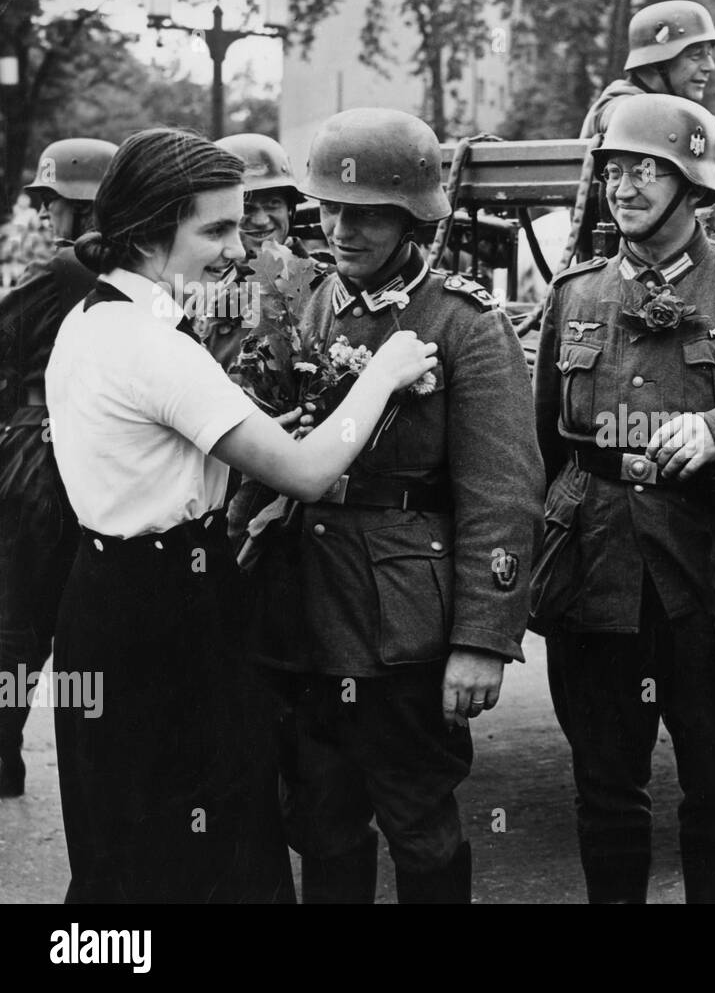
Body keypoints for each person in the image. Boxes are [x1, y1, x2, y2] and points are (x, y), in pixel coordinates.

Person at [43, 127, 439, 903]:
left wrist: (246, 444)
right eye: (215, 229)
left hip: (104, 597)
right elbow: (308, 471)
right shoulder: (157, 347)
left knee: (121, 841)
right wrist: (384, 375)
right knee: (213, 841)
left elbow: (156, 452)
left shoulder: (91, 323)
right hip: (172, 612)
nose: (236, 249)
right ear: (150, 230)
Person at [246, 107, 543, 904]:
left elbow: (504, 494)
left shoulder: (463, 322)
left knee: (419, 822)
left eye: (368, 213)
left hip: (402, 625)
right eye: (332, 209)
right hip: (304, 613)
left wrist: (483, 638)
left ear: (412, 216)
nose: (343, 229)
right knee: (320, 820)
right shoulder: (302, 305)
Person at [532, 94, 715, 903]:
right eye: (616, 169)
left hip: (707, 578)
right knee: (606, 792)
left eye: (649, 169)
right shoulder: (575, 294)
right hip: (596, 570)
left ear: (694, 186)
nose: (626, 185)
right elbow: (541, 442)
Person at [0, 137, 115, 797]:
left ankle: (4, 752)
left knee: (17, 620)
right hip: (93, 457)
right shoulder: (134, 266)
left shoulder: (69, 266)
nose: (48, 215)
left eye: (59, 203)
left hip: (40, 460)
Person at [204, 133, 318, 371]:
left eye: (273, 203)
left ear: (290, 210)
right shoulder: (207, 293)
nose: (261, 220)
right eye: (247, 207)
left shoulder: (325, 285)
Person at [580, 0, 715, 139]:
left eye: (709, 54)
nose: (710, 66)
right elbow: (628, 116)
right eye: (696, 56)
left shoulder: (667, 115)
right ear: (657, 62)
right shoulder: (615, 106)